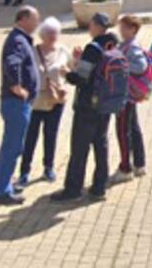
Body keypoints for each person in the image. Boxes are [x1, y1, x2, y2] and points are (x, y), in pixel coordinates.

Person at [52, 12, 120, 203]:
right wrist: (81, 60)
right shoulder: (114, 44)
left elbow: (82, 79)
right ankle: (99, 188)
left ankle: (73, 190)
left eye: (91, 24)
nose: (89, 27)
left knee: (79, 148)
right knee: (101, 145)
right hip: (106, 105)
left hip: (87, 107)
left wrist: (67, 73)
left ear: (97, 26)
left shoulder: (93, 48)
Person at [0, 5, 40, 205]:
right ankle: (2, 191)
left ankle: (4, 184)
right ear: (22, 19)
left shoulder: (20, 39)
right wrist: (16, 87)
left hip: (17, 104)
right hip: (16, 104)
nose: (37, 23)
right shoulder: (18, 41)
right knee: (12, 147)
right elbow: (12, 64)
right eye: (34, 19)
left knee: (13, 146)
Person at [18, 16, 70, 186]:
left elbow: (72, 69)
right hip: (35, 100)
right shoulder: (32, 52)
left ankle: (48, 167)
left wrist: (72, 66)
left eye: (55, 33)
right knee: (30, 136)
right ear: (42, 34)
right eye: (50, 33)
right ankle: (24, 171)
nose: (53, 36)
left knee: (51, 135)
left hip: (56, 100)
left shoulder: (63, 51)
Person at [113, 14, 150, 182]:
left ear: (133, 29)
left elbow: (141, 66)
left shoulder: (132, 47)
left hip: (126, 96)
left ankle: (125, 168)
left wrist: (124, 66)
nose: (121, 30)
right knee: (133, 128)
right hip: (128, 95)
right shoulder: (125, 45)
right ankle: (139, 164)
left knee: (123, 131)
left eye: (124, 27)